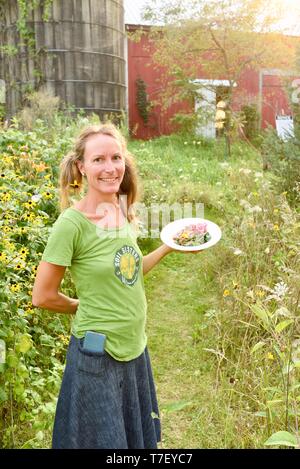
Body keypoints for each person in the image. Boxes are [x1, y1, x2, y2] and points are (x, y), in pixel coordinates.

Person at [32, 123, 181, 449]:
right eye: (98, 159)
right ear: (81, 167)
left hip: (134, 348)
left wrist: (170, 246)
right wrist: (77, 306)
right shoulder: (71, 224)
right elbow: (42, 296)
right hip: (98, 356)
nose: (110, 167)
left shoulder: (120, 208)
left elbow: (128, 272)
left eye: (116, 157)